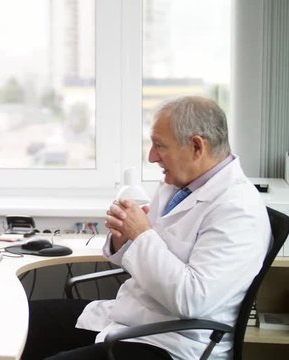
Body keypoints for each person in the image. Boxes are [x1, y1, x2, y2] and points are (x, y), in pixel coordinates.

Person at [22, 96, 271, 360]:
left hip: (174, 342)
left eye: (159, 146)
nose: (152, 157)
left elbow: (192, 300)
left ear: (197, 146)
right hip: (133, 318)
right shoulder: (180, 185)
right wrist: (124, 239)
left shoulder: (238, 209)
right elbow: (150, 256)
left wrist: (140, 234)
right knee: (18, 321)